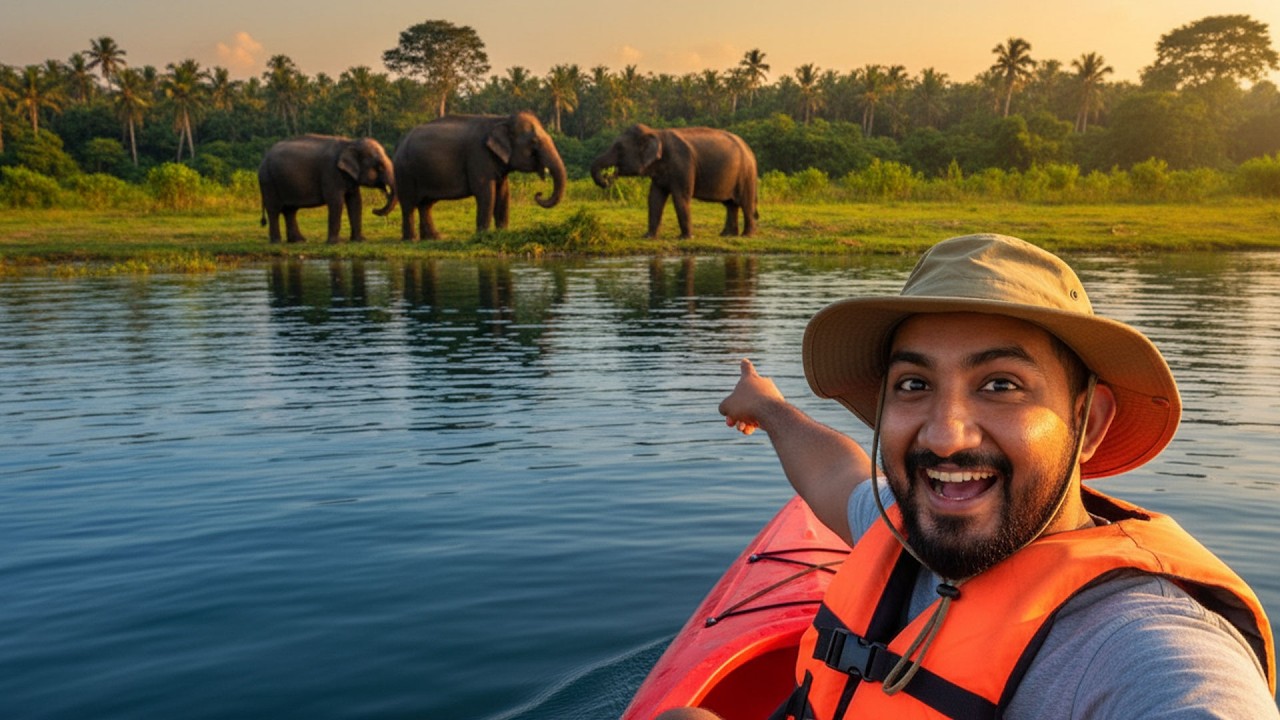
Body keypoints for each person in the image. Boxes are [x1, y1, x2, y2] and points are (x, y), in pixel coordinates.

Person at [666, 234, 1276, 719]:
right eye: (914, 385)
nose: (943, 435)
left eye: (1001, 385)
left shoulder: (1141, 648)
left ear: (1087, 423)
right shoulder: (907, 530)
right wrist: (769, 408)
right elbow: (837, 474)